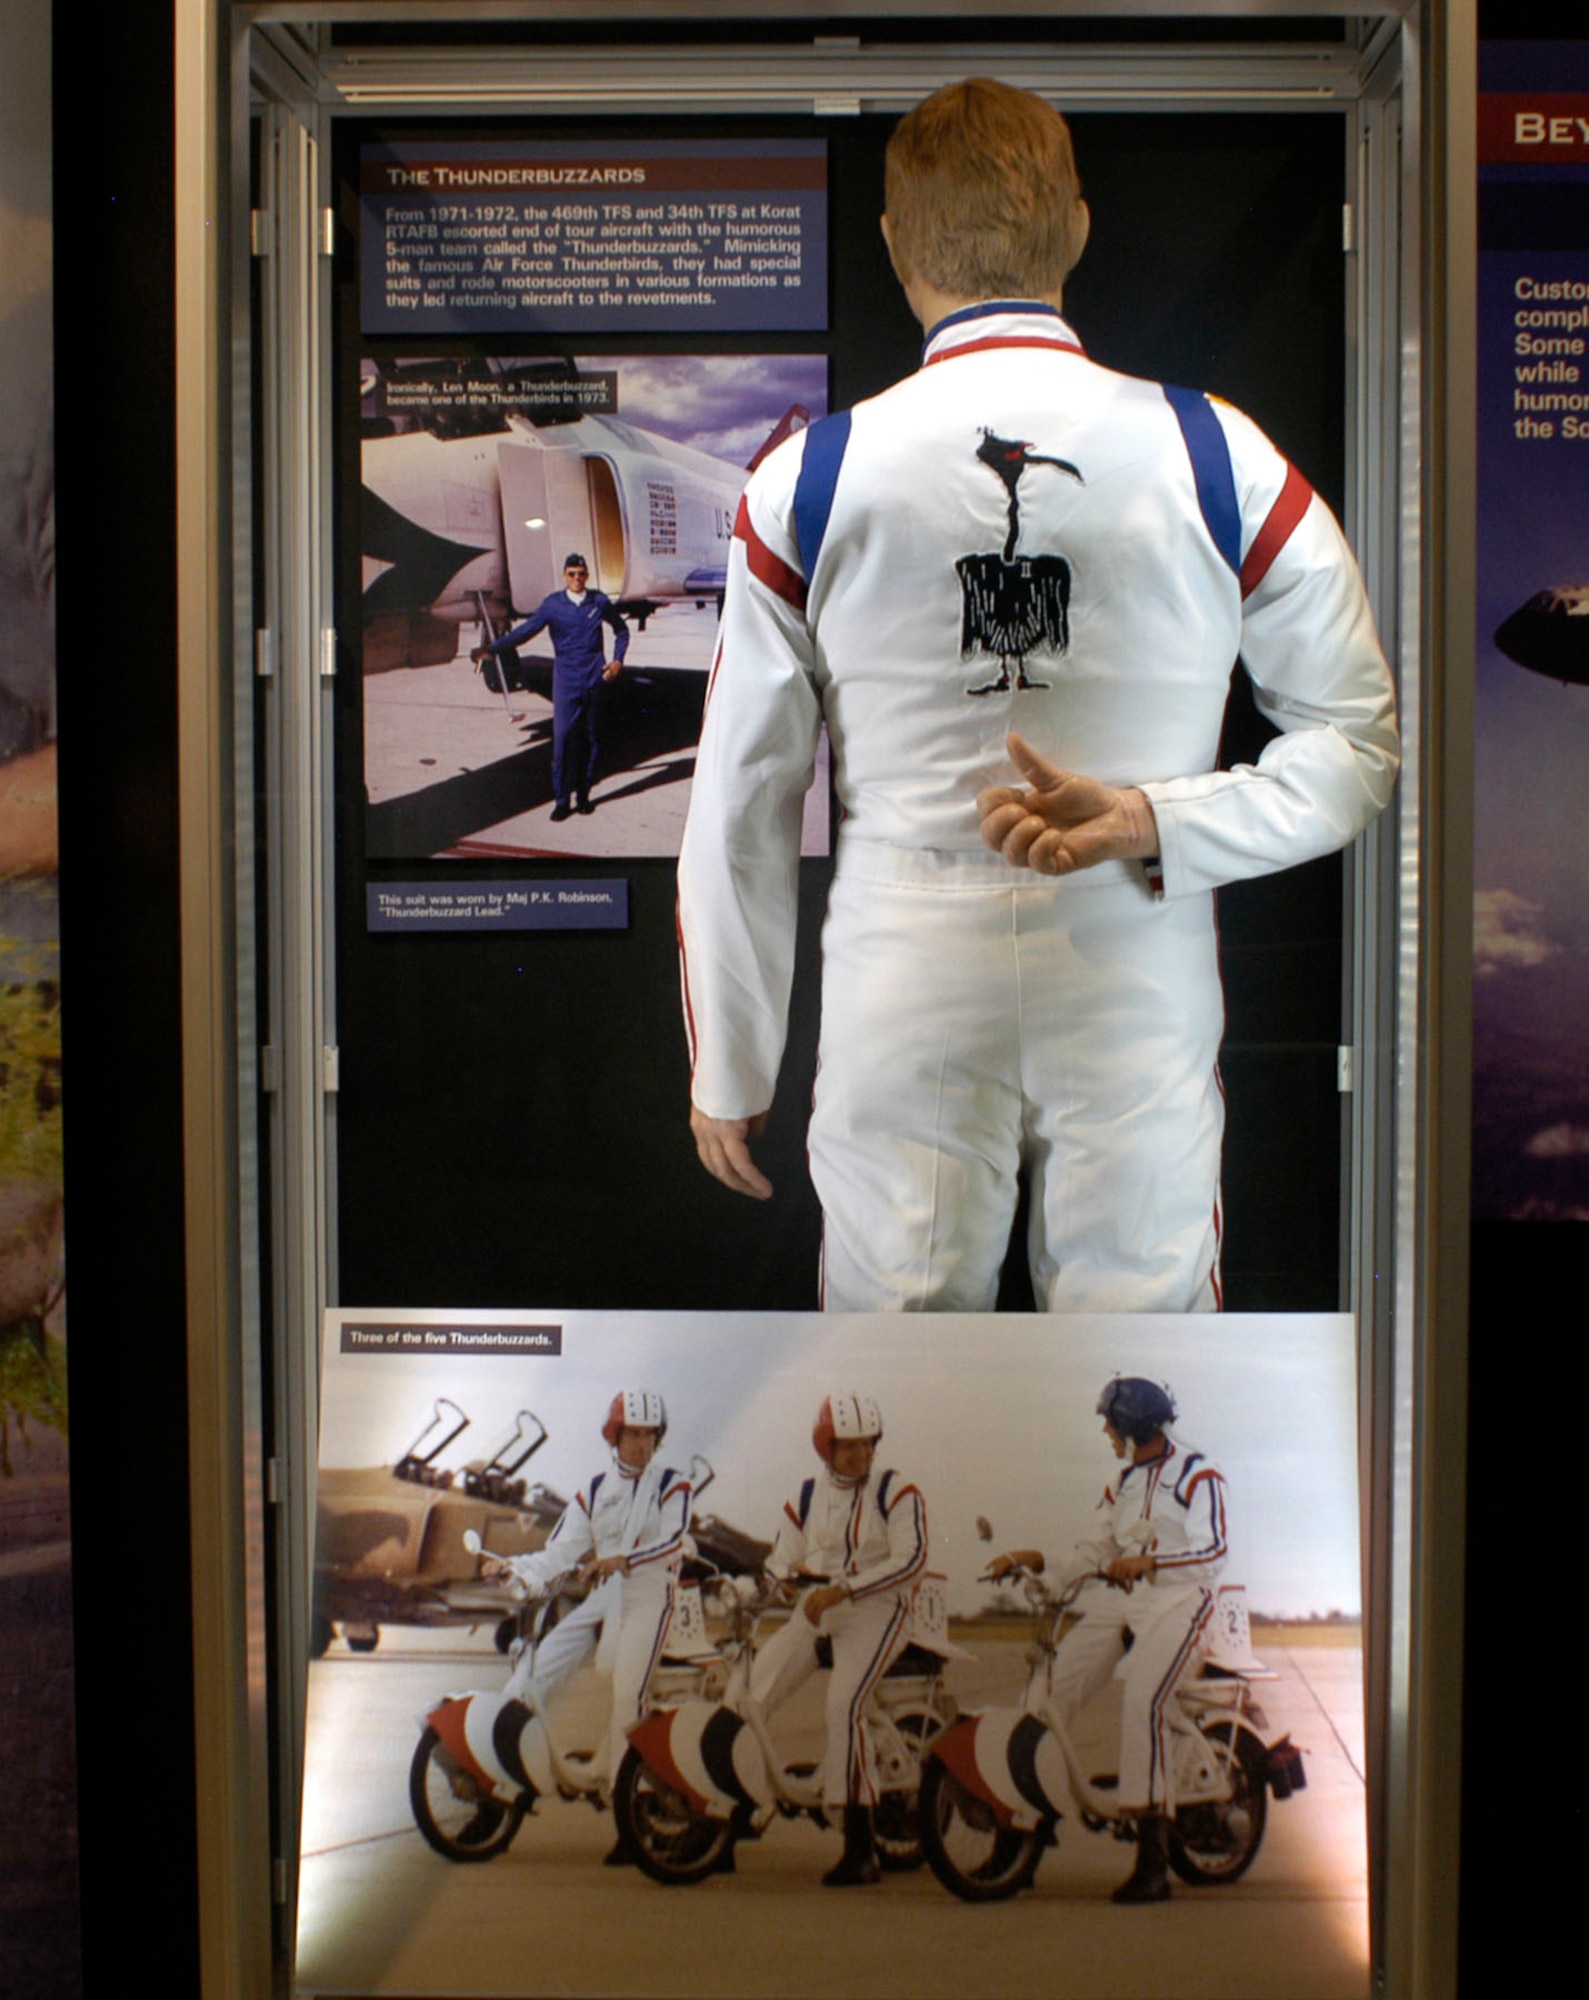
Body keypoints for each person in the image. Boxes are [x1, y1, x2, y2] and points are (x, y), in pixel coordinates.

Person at [676, 78, 1400, 1312]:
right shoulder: (1218, 455)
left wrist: (730, 1061)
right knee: (1144, 1382)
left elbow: (745, 800)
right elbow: (1355, 744)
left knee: (892, 1366)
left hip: (900, 963)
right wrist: (1156, 823)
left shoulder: (806, 480)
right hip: (1132, 944)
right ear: (1073, 225)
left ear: (894, 239)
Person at [989, 1375, 1227, 1904]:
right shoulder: (1122, 1484)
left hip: (1181, 1602)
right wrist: (1041, 1562)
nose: (1105, 1430)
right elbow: (1094, 1552)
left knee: (1142, 1696)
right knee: (1046, 1694)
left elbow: (1212, 1552)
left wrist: (1151, 1561)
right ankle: (1023, 1836)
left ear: (1134, 1424)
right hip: (1127, 1601)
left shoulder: (1198, 1474)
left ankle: (1153, 1860)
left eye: (1110, 1421)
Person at [483, 1389, 689, 1855]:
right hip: (605, 1595)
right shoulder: (594, 1491)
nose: (640, 1444)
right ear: (614, 1436)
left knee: (627, 1700)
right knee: (532, 1674)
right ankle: (494, 1798)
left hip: (652, 1594)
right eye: (632, 1434)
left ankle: (629, 1825)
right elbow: (558, 1553)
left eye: (649, 1435)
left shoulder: (672, 1485)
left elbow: (674, 1541)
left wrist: (621, 1558)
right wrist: (512, 1567)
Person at [749, 1391, 928, 1886]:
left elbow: (910, 1561)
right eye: (848, 1445)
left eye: (868, 1443)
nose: (861, 1454)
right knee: (747, 1694)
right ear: (826, 1446)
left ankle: (860, 1847)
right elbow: (780, 1559)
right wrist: (779, 1579)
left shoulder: (896, 1491)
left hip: (879, 1610)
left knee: (842, 1705)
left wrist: (844, 1589)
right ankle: (731, 1815)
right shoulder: (806, 1498)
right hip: (817, 1611)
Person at [472, 552, 628, 820]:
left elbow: (621, 630)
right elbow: (525, 631)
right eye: (571, 574)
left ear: (587, 575)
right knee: (563, 740)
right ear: (565, 576)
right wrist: (493, 648)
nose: (577, 578)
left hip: (594, 678)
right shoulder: (552, 605)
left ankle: (584, 796)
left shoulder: (598, 601)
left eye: (581, 574)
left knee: (590, 740)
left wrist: (617, 662)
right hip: (566, 680)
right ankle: (561, 800)